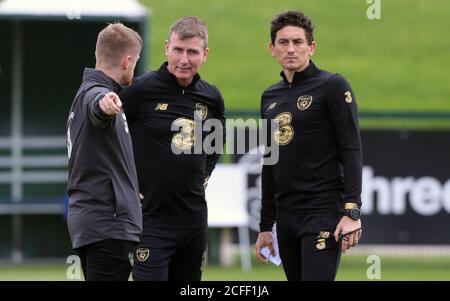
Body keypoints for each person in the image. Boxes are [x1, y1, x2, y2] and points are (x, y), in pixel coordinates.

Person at [255, 11, 363, 281]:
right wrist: (266, 226)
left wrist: (352, 211)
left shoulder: (333, 86)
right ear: (272, 49)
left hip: (322, 211)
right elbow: (269, 162)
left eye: (298, 42)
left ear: (311, 47)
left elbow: (351, 150)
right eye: (283, 42)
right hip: (287, 217)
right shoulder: (270, 97)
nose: (290, 49)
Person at [120, 16, 225, 281]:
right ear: (167, 47)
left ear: (205, 54)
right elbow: (108, 138)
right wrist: (124, 184)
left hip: (193, 220)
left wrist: (203, 175)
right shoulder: (139, 90)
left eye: (192, 52)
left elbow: (215, 144)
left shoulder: (211, 97)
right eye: (178, 49)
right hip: (149, 220)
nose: (184, 59)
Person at [66, 23, 143, 281]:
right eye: (136, 62)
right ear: (128, 60)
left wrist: (130, 189)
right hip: (108, 226)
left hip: (96, 222)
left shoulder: (84, 91)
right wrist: (104, 106)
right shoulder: (98, 94)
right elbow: (97, 108)